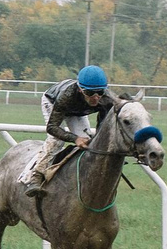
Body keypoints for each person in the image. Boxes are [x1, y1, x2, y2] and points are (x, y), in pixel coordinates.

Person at [27, 66, 118, 200]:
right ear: (81, 89)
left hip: (78, 111)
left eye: (99, 92)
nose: (95, 97)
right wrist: (75, 138)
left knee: (88, 142)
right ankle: (36, 176)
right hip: (53, 102)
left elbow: (102, 128)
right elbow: (51, 127)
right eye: (89, 93)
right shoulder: (67, 96)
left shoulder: (106, 99)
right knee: (56, 140)